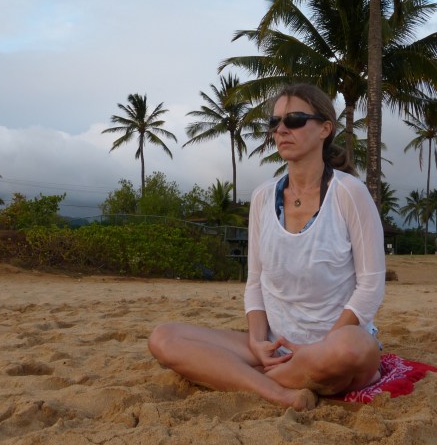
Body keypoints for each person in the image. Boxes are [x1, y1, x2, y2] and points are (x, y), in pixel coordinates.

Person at [148, 83, 386, 411]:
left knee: (352, 349)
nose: (282, 129)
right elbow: (255, 282)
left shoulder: (349, 193)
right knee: (164, 337)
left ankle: (246, 378)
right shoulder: (263, 197)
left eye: (295, 120)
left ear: (325, 129)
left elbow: (371, 285)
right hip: (277, 345)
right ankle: (280, 391)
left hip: (333, 344)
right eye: (275, 123)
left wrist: (321, 345)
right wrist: (258, 343)